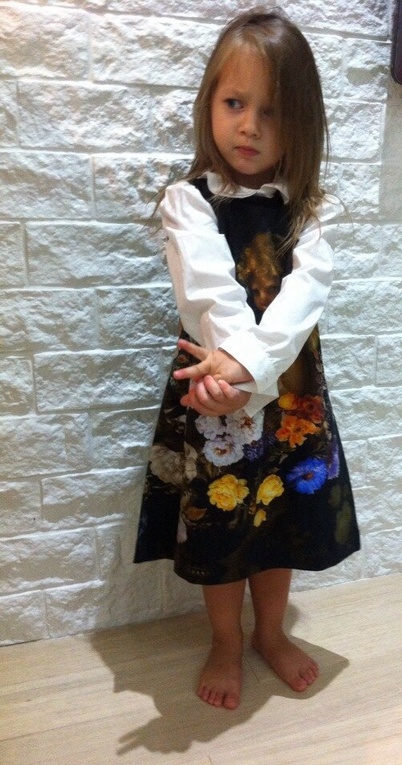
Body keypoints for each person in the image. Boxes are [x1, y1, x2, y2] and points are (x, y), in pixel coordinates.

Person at [134, 7, 360, 711]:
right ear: (210, 104)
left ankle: (270, 632)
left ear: (303, 124)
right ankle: (226, 640)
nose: (250, 126)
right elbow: (210, 294)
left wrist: (248, 374)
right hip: (216, 399)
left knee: (282, 519)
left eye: (273, 111)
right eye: (235, 103)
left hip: (287, 397)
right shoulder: (188, 202)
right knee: (223, 524)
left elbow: (303, 298)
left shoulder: (310, 209)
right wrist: (231, 373)